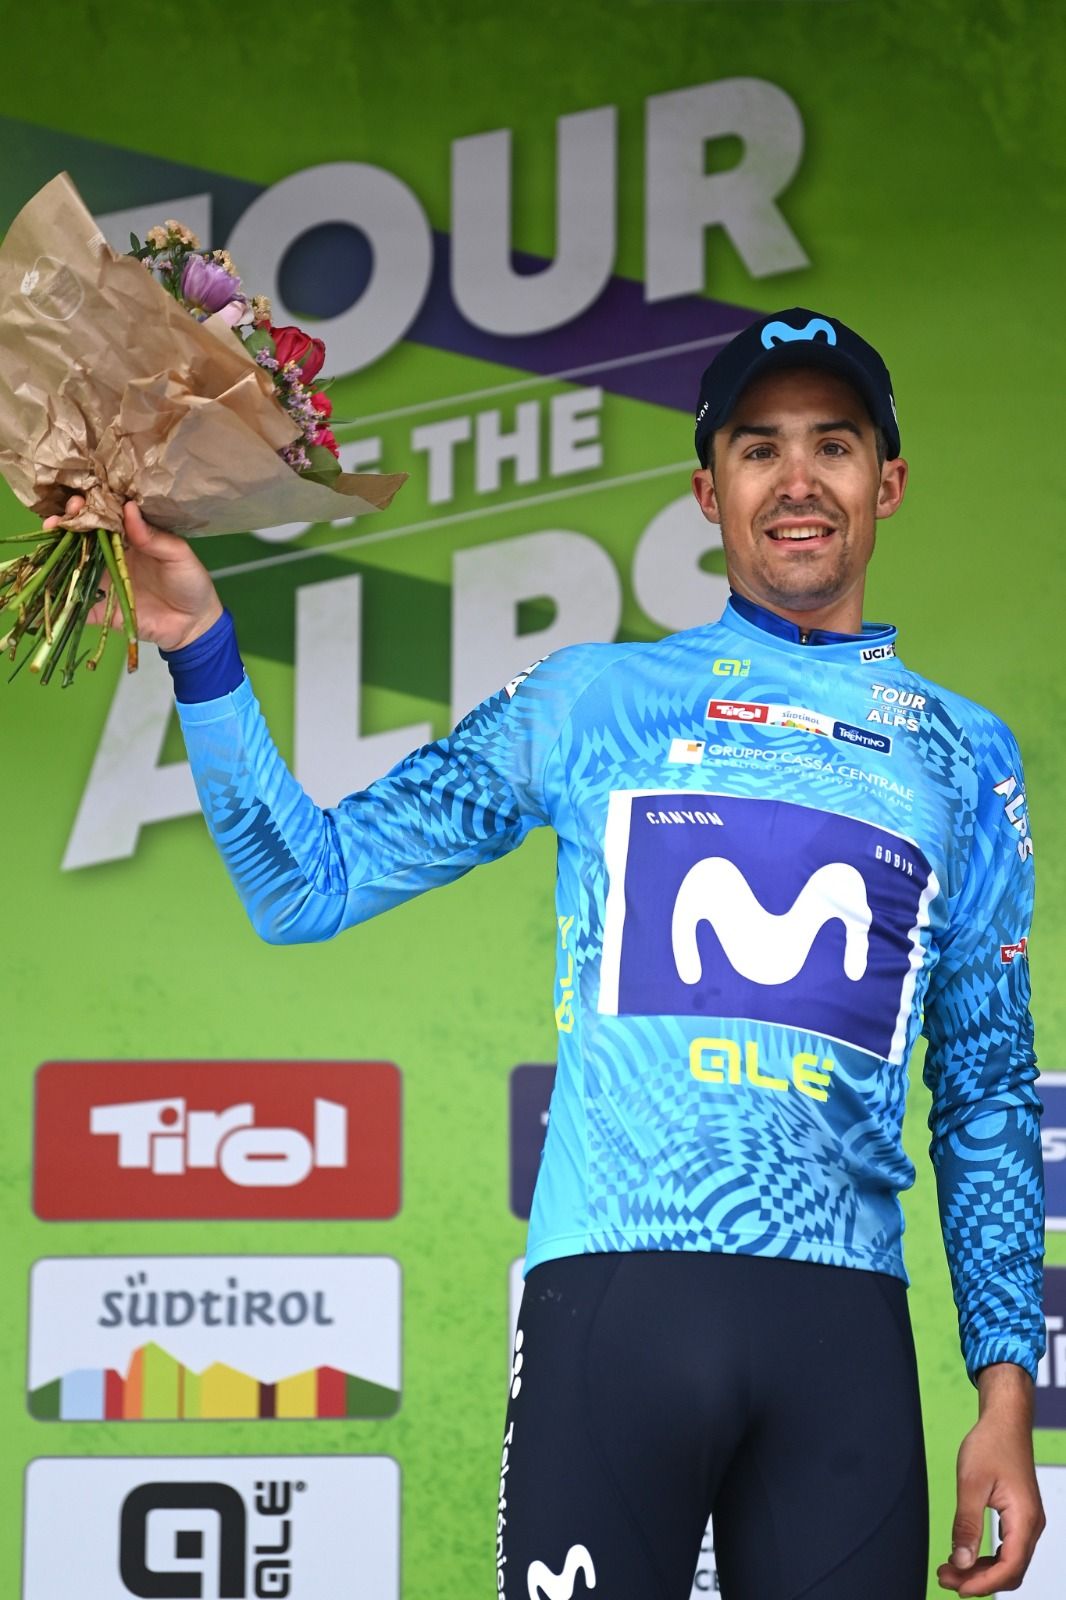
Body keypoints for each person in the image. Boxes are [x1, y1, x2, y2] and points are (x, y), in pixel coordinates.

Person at [54, 307, 1045, 1599]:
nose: (797, 480)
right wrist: (198, 645)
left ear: (886, 483)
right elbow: (308, 885)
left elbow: (981, 1092)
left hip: (841, 1334)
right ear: (707, 490)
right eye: (757, 449)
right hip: (611, 1313)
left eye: (834, 445)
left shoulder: (963, 754)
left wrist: (1003, 1393)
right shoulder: (589, 700)